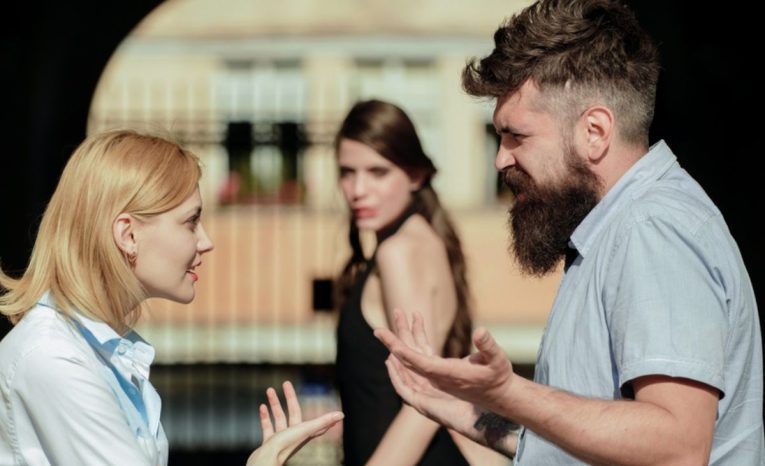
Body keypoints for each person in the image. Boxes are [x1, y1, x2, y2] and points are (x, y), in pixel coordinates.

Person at [374, 0, 765, 464]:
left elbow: (677, 446)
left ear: (594, 131)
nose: (500, 159)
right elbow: (588, 442)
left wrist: (511, 392)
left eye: (516, 135)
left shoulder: (652, 229)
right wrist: (457, 404)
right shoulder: (615, 228)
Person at [0, 130, 343, 466]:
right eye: (191, 222)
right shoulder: (55, 357)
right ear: (128, 235)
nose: (206, 242)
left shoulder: (97, 351)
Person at [334, 100, 508, 465]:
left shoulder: (398, 251)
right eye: (347, 172)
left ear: (415, 175)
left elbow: (424, 395)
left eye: (378, 172)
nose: (358, 189)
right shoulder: (423, 239)